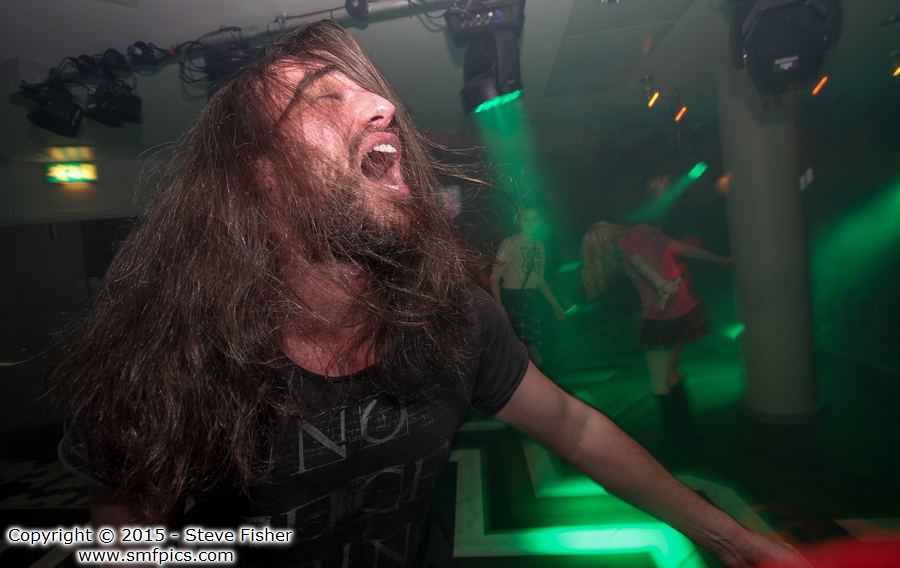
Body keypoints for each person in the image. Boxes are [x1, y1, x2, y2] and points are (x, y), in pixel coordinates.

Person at [52, 21, 802, 568]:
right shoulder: (174, 354)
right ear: (261, 176)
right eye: (325, 98)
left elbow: (572, 426)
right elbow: (128, 529)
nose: (383, 107)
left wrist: (731, 539)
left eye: (373, 92)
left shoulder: (453, 317)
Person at [581, 222, 733, 445]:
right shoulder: (646, 233)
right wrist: (720, 259)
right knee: (673, 374)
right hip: (685, 311)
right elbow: (686, 249)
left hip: (662, 318)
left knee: (660, 383)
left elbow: (640, 264)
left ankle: (673, 437)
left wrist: (662, 284)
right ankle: (687, 432)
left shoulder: (625, 242)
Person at [489, 206, 565, 366]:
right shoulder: (510, 243)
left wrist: (555, 305)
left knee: (546, 346)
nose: (531, 223)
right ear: (520, 221)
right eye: (527, 219)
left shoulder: (539, 245)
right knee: (531, 350)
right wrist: (500, 308)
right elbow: (494, 278)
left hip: (533, 299)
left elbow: (540, 280)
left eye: (534, 219)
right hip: (514, 299)